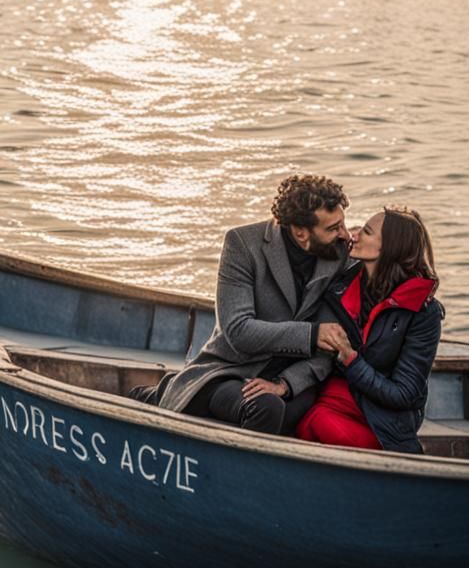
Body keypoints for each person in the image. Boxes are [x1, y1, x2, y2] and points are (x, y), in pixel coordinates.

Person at [129, 174, 351, 436]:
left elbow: (331, 343)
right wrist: (311, 335)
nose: (345, 234)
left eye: (343, 223)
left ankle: (172, 393)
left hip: (289, 375)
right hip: (231, 369)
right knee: (266, 408)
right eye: (334, 228)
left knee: (301, 412)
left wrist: (285, 384)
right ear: (301, 232)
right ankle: (166, 394)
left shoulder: (339, 254)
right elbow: (238, 330)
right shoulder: (243, 244)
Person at [295, 207, 442, 455]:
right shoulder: (340, 286)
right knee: (301, 418)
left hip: (379, 415)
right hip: (332, 394)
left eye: (367, 231)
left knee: (319, 422)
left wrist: (350, 359)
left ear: (387, 249)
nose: (354, 234)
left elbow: (404, 394)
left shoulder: (423, 312)